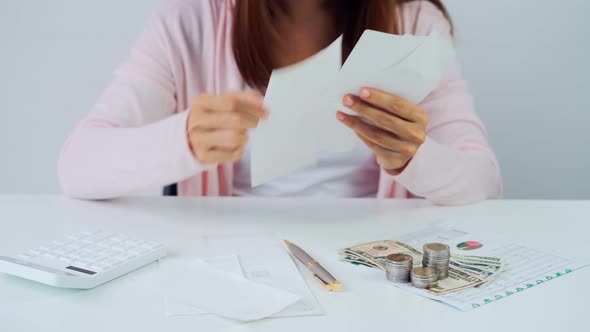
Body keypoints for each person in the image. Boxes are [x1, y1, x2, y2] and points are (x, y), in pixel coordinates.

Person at [58, 0, 502, 204]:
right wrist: (184, 141)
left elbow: (483, 182)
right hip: (231, 260)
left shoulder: (414, 22)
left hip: (372, 266)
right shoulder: (187, 23)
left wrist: (414, 156)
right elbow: (77, 167)